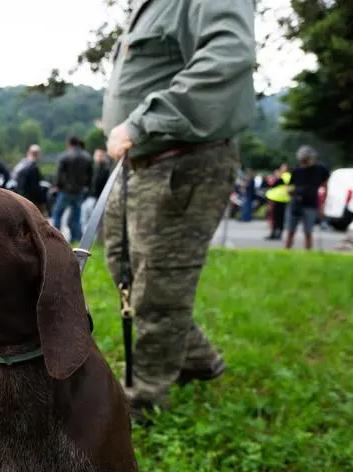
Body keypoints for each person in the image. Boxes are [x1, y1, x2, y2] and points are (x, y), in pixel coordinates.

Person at [99, 0, 256, 420]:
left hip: (182, 160)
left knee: (159, 287)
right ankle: (196, 358)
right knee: (125, 271)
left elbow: (228, 56)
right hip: (139, 164)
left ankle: (144, 398)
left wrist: (141, 122)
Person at [286, 145, 330, 250]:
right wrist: (290, 192)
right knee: (291, 230)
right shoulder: (296, 171)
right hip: (296, 203)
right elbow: (289, 187)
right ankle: (287, 249)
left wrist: (323, 203)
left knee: (308, 231)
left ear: (311, 158)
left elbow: (325, 185)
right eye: (302, 160)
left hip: (311, 204)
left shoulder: (320, 169)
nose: (303, 162)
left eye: (305, 160)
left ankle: (308, 252)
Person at [52, 135, 93, 243]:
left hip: (65, 190)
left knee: (57, 214)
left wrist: (57, 185)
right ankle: (74, 239)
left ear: (68, 144)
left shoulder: (64, 156)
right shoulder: (87, 157)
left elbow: (59, 174)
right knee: (76, 216)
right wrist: (86, 188)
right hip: (79, 191)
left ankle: (55, 239)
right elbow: (90, 175)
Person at [81, 148, 111, 231]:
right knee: (85, 218)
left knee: (96, 221)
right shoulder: (91, 169)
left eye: (101, 155)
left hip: (100, 198)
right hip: (89, 197)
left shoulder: (106, 170)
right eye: (98, 155)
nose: (99, 157)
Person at [10, 144, 45, 212]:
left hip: (18, 196)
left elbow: (13, 177)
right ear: (38, 154)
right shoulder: (33, 167)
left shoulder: (20, 164)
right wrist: (41, 200)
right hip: (29, 199)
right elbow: (35, 187)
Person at [264, 164, 291, 240]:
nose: (281, 168)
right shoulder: (282, 175)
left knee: (279, 218)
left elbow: (278, 183)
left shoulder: (286, 175)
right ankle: (274, 233)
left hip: (281, 200)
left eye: (283, 167)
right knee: (276, 218)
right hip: (276, 199)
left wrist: (277, 176)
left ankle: (277, 234)